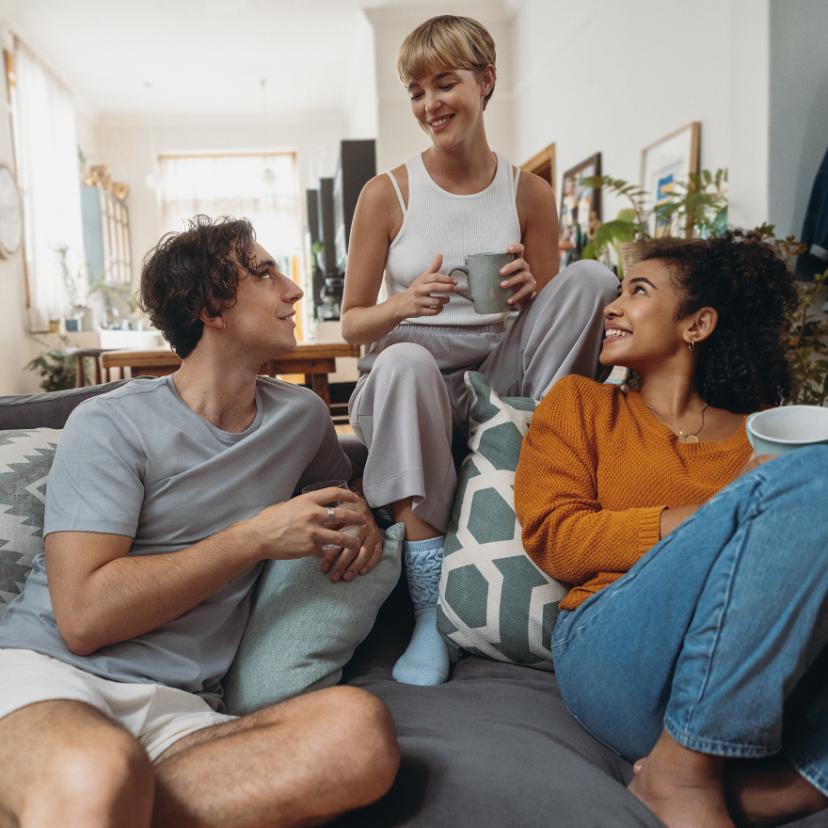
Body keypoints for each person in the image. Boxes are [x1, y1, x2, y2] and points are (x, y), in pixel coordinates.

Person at [0, 216, 400, 827]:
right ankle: (85, 793)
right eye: (265, 273)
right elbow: (84, 617)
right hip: (56, 678)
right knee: (98, 772)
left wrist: (361, 521)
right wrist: (254, 538)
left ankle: (77, 806)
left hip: (180, 713)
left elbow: (336, 500)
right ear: (211, 306)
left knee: (358, 735)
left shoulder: (302, 417)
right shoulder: (111, 424)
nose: (292, 290)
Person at [514, 234, 828, 828]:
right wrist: (717, 513)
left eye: (637, 290)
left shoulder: (757, 437)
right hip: (618, 653)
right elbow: (556, 538)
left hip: (762, 677)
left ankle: (786, 789)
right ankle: (681, 772)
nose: (611, 306)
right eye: (616, 292)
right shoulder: (580, 405)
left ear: (698, 324)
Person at [341, 14, 617, 687]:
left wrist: (534, 290)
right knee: (404, 360)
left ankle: (535, 451)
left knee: (592, 279)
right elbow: (352, 323)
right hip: (408, 377)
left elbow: (557, 313)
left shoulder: (530, 192)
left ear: (485, 80)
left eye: (445, 83)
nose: (430, 104)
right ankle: (431, 616)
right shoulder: (387, 194)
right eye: (416, 90)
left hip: (496, 379)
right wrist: (404, 305)